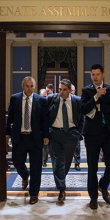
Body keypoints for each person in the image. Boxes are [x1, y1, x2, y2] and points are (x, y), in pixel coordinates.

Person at [81, 64, 110, 210]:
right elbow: (84, 109)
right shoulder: (87, 90)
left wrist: (101, 107)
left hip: (108, 133)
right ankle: (93, 197)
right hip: (91, 134)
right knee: (92, 167)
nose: (95, 77)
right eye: (93, 74)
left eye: (98, 74)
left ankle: (103, 185)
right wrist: (96, 96)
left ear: (102, 75)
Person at [6, 76, 49, 205]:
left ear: (34, 87)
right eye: (27, 86)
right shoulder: (15, 98)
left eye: (31, 86)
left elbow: (45, 120)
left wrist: (46, 135)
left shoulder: (41, 100)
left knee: (36, 167)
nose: (29, 89)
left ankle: (34, 194)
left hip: (35, 138)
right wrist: (7, 133)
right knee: (17, 162)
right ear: (22, 86)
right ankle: (25, 175)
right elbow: (10, 118)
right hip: (19, 137)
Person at [47, 79, 84, 204]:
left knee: (66, 163)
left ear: (69, 90)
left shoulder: (77, 101)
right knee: (57, 163)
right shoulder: (51, 99)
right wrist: (46, 133)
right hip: (55, 134)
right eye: (59, 89)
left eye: (64, 90)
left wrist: (78, 133)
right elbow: (45, 117)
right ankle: (62, 189)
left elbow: (82, 118)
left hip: (71, 134)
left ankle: (61, 181)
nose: (61, 92)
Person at [71, 84, 81, 171]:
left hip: (75, 128)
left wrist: (80, 131)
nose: (71, 92)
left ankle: (77, 163)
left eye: (72, 90)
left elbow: (82, 117)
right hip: (64, 128)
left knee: (76, 148)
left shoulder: (78, 100)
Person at [39, 88, 49, 167]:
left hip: (48, 129)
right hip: (39, 130)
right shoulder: (36, 103)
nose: (44, 98)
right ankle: (40, 161)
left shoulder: (49, 103)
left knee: (46, 147)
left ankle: (44, 162)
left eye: (45, 96)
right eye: (42, 96)